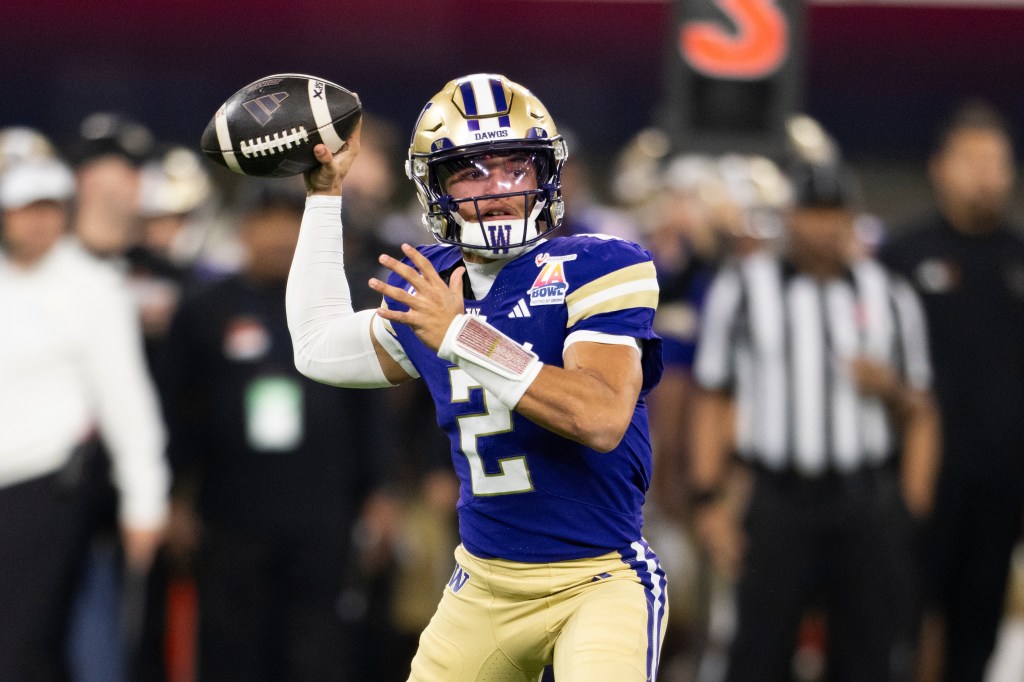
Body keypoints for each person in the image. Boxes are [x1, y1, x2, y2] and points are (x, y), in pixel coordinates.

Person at [286, 73, 667, 681]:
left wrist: (461, 335)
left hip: (598, 579)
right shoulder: (432, 284)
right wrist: (324, 194)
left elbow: (598, 417)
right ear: (433, 186)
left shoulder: (601, 264)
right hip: (483, 585)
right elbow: (316, 348)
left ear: (544, 174)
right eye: (469, 171)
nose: (494, 190)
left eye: (514, 167)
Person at [689, 158, 940, 681]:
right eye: (810, 213)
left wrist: (906, 514)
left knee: (867, 654)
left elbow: (921, 411)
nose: (821, 228)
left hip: (865, 499)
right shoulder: (744, 289)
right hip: (778, 498)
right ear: (788, 217)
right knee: (758, 652)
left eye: (832, 214)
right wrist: (708, 498)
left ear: (852, 219)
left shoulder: (890, 295)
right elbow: (711, 397)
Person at [156, 178, 392, 682]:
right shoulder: (204, 310)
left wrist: (381, 491)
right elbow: (178, 413)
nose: (282, 236)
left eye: (295, 222)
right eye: (268, 221)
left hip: (323, 510)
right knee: (232, 651)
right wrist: (174, 496)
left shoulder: (343, 302)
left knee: (320, 649)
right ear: (242, 229)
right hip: (231, 513)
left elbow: (371, 407)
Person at [0, 156, 169, 681]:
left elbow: (127, 400)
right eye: (26, 208)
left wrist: (145, 499)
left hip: (46, 488)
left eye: (50, 209)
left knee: (25, 647)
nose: (38, 221)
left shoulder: (92, 286)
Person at [878, 100, 1024, 682]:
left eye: (997, 161)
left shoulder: (1019, 259)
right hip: (916, 485)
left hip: (1002, 485)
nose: (986, 174)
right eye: (972, 159)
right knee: (902, 623)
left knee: (978, 627)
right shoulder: (901, 258)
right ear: (940, 167)